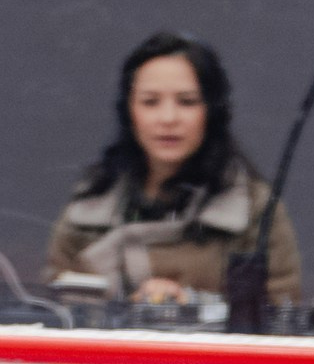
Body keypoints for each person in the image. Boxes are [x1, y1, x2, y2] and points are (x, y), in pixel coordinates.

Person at [44, 33, 301, 306]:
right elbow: (56, 313)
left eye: (187, 102)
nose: (168, 119)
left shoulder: (255, 211)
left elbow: (279, 317)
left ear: (211, 112)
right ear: (129, 111)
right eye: (150, 102)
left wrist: (191, 305)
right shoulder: (90, 208)